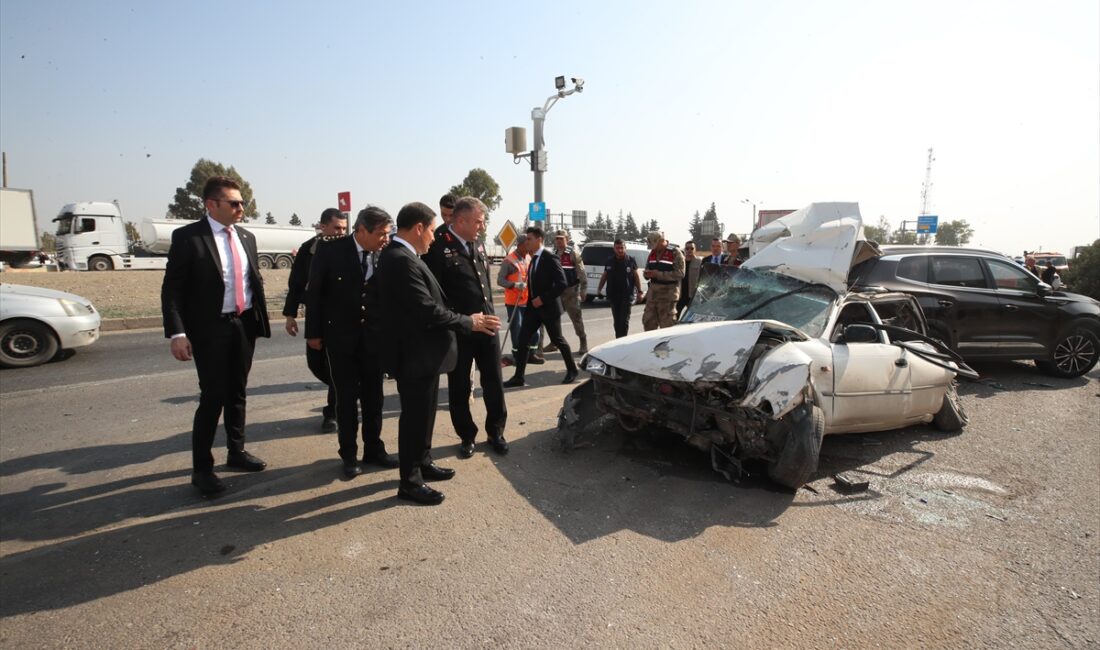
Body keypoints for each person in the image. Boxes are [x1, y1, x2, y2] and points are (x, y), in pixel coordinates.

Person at [377, 201, 500, 505]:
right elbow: (427, 309)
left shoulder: (408, 256)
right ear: (419, 228)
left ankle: (423, 461)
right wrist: (467, 322)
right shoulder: (400, 259)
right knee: (414, 418)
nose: (434, 236)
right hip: (415, 353)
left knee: (426, 414)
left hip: (426, 353)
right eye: (432, 229)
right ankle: (410, 481)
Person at [161, 176, 270, 496]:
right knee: (213, 397)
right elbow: (172, 290)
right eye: (234, 203)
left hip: (243, 325)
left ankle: (236, 452)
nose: (241, 208)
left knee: (238, 391)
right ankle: (202, 469)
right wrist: (177, 332)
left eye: (242, 203)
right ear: (211, 204)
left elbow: (252, 280)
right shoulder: (189, 237)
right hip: (209, 329)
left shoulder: (246, 236)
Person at [305, 206, 400, 478]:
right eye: (381, 233)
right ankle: (349, 454)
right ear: (361, 230)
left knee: (375, 398)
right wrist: (313, 333)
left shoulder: (386, 254)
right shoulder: (330, 250)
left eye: (387, 233)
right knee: (346, 400)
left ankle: (374, 449)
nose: (385, 238)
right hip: (341, 339)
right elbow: (315, 294)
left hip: (373, 339)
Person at [424, 196, 509, 459]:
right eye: (478, 222)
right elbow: (435, 295)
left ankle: (496, 431)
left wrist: (489, 317)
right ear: (460, 221)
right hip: (460, 330)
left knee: (494, 381)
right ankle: (466, 436)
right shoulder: (438, 248)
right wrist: (463, 321)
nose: (481, 227)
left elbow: (483, 286)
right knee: (459, 385)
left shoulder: (478, 244)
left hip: (488, 327)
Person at [282, 207, 347, 434]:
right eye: (336, 228)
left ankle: (333, 412)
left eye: (344, 229)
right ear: (322, 226)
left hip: (341, 316)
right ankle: (345, 392)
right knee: (316, 363)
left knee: (336, 366)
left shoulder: (349, 248)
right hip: (316, 315)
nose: (340, 232)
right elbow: (296, 283)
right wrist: (290, 315)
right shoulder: (309, 249)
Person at [504, 227, 579, 387]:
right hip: (533, 308)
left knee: (558, 340)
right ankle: (519, 377)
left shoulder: (549, 257)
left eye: (529, 239)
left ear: (539, 240)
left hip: (549, 308)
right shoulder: (533, 259)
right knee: (523, 340)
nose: (527, 242)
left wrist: (543, 299)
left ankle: (572, 370)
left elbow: (561, 283)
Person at [496, 233, 537, 366]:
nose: (529, 247)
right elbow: (500, 280)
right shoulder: (509, 261)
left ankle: (531, 354)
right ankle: (517, 355)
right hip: (514, 301)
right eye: (527, 244)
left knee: (533, 329)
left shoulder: (529, 258)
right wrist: (514, 285)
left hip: (527, 300)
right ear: (519, 245)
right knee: (517, 329)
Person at [546, 230, 588, 355]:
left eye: (561, 239)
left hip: (571, 291)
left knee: (576, 317)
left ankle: (583, 341)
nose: (559, 241)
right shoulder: (553, 254)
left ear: (567, 239)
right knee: (553, 318)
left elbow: (581, 273)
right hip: (556, 292)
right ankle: (554, 342)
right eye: (557, 238)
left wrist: (583, 289)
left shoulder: (573, 254)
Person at [597, 238, 644, 338]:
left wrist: (639, 292)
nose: (620, 250)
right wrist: (599, 289)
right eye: (617, 248)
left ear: (625, 248)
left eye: (622, 248)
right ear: (614, 249)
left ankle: (622, 341)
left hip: (626, 295)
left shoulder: (631, 260)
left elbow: (636, 277)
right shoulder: (609, 261)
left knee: (624, 321)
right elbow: (605, 275)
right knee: (616, 321)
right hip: (613, 295)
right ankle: (618, 339)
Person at [641, 231, 685, 331]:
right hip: (653, 295)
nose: (654, 248)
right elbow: (647, 268)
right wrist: (647, 274)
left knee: (667, 326)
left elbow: (680, 273)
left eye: (655, 245)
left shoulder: (675, 252)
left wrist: (658, 274)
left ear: (661, 241)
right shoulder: (652, 253)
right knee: (648, 322)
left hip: (668, 296)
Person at [677, 240, 700, 319]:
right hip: (680, 295)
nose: (689, 250)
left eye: (692, 248)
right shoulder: (680, 262)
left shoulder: (699, 262)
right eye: (687, 248)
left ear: (695, 250)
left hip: (692, 296)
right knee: (674, 317)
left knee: (693, 318)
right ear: (685, 250)